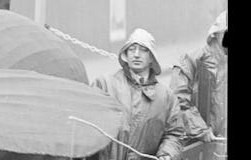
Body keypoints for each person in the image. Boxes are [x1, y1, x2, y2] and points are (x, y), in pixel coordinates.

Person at [92, 28, 183, 160]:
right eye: (131, 49)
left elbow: (174, 133)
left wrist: (167, 154)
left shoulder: (166, 97)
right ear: (125, 54)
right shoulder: (104, 84)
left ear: (152, 57)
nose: (136, 54)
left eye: (143, 50)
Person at [169, 10, 227, 144]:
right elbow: (177, 99)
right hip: (194, 142)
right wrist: (201, 129)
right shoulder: (192, 60)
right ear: (216, 34)